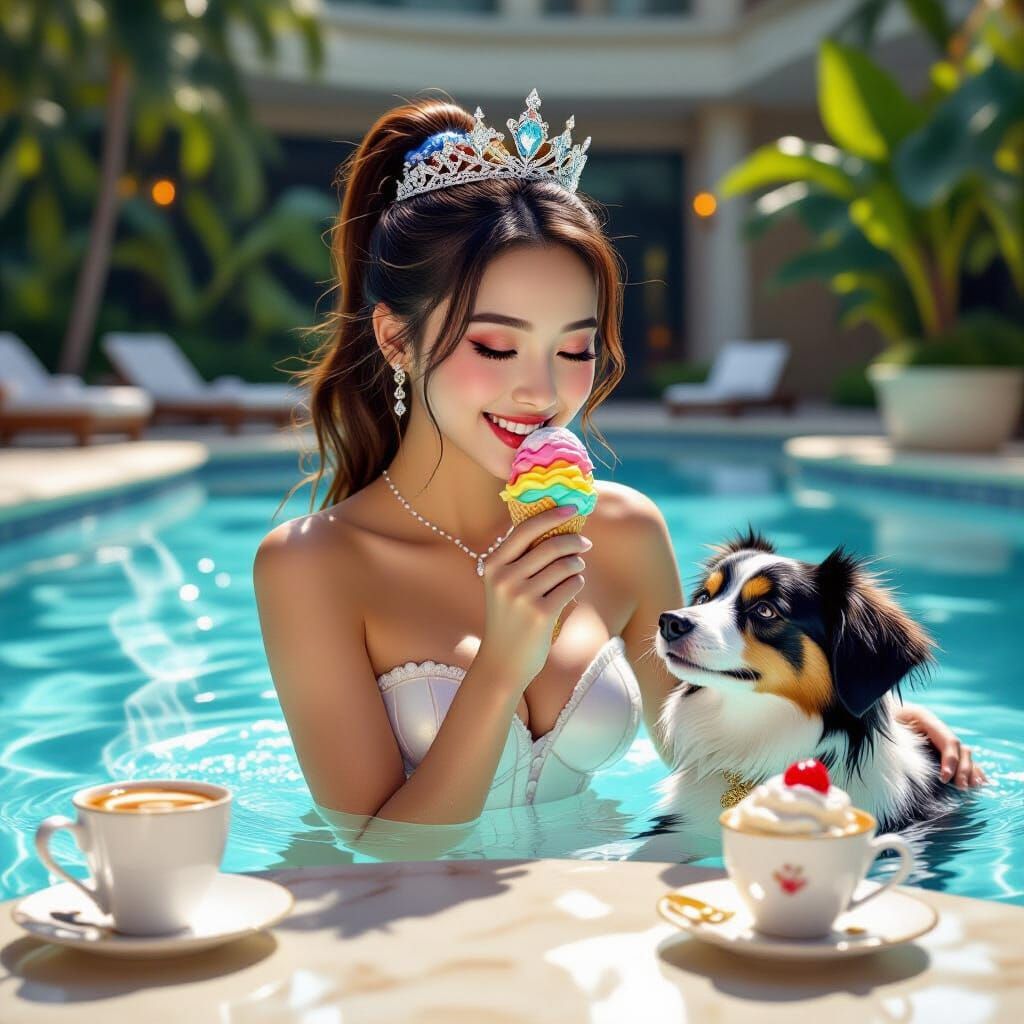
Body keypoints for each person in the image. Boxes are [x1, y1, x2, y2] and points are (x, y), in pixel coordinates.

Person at [253, 90, 986, 836]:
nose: (541, 391)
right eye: (495, 347)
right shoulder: (313, 567)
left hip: (606, 920)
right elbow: (374, 850)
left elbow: (707, 760)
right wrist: (504, 662)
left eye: (574, 349)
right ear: (396, 340)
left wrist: (858, 736)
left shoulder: (627, 529)